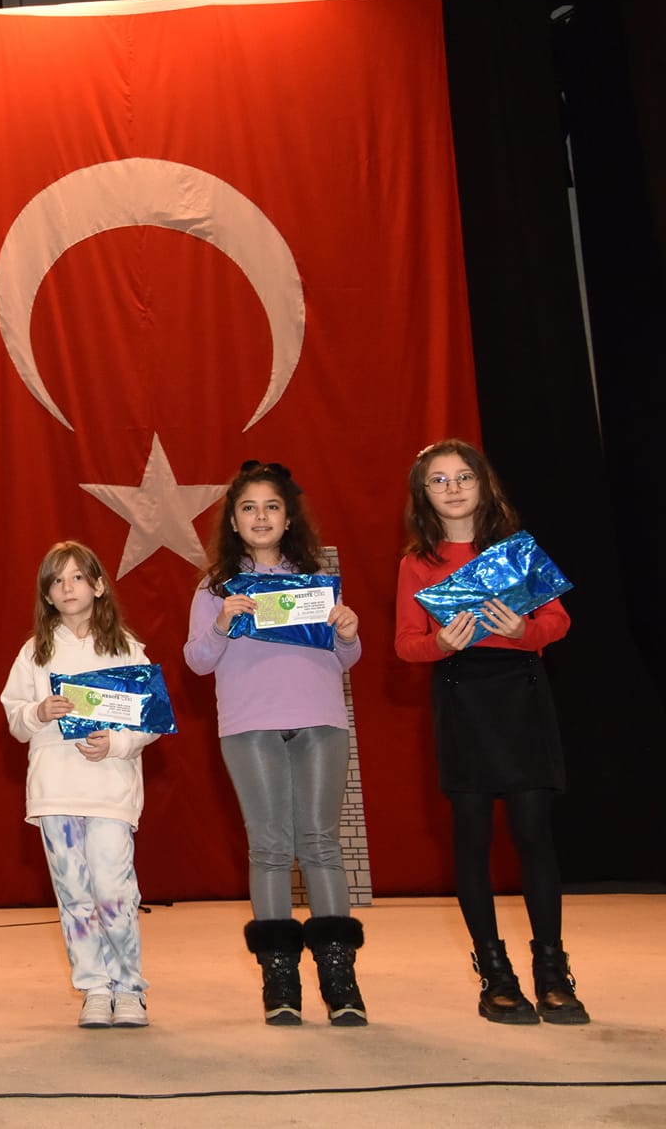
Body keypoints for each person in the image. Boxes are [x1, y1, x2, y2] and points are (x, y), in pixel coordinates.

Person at [393, 438, 585, 1025]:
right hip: (461, 697)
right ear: (423, 494)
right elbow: (406, 645)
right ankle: (495, 975)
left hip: (522, 694)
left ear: (484, 483)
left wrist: (525, 631)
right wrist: (439, 642)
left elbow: (558, 621)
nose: (452, 488)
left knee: (533, 834)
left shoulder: (516, 549)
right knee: (472, 838)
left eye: (463, 477)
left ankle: (552, 971)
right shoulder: (416, 562)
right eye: (439, 480)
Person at [183, 461, 366, 1027]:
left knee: (321, 844)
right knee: (268, 847)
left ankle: (340, 979)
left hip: (320, 722)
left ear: (288, 519)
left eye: (271, 507)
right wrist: (221, 623)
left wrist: (348, 633)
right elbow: (197, 661)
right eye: (248, 508)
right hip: (250, 727)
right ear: (233, 522)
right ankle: (279, 979)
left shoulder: (315, 581)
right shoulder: (215, 588)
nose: (260, 517)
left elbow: (345, 659)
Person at [0, 541, 157, 1030]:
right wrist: (38, 711)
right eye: (56, 580)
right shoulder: (35, 652)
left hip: (110, 790)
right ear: (46, 594)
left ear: (99, 586)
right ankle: (94, 987)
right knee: (74, 893)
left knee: (112, 889)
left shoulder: (126, 647)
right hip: (56, 791)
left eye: (77, 577)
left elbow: (150, 720)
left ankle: (128, 988)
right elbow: (14, 717)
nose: (67, 587)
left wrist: (117, 743)